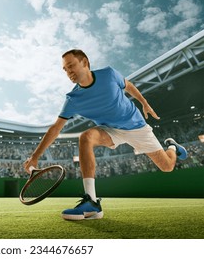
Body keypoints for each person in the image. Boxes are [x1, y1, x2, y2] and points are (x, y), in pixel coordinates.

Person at [23, 49, 187, 221]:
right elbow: (55, 128)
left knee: (167, 167)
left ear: (85, 62)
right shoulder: (73, 99)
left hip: (136, 126)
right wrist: (35, 156)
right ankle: (92, 203)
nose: (68, 72)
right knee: (85, 137)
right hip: (110, 130)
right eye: (65, 69)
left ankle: (172, 147)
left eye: (71, 66)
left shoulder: (108, 74)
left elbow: (128, 85)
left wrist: (144, 102)